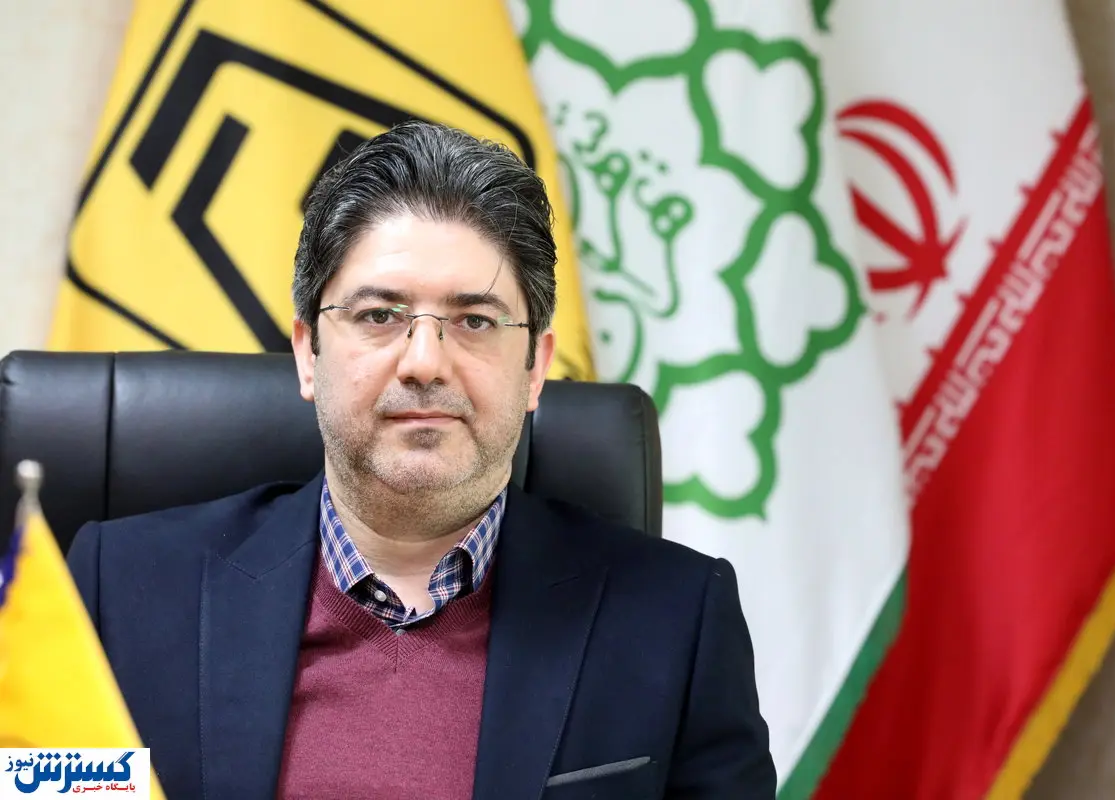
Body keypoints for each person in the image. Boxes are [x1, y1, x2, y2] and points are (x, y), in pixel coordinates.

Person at [66, 121, 775, 800]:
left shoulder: (677, 618)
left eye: (475, 320)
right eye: (380, 316)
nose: (425, 362)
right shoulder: (117, 591)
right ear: (309, 353)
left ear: (535, 369)